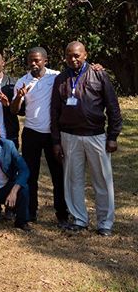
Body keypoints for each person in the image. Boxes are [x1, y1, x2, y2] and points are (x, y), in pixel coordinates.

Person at [50, 41, 122, 236]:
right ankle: (79, 219)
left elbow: (113, 107)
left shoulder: (99, 74)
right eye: (69, 55)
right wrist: (56, 141)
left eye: (77, 55)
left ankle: (105, 223)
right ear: (65, 57)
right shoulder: (61, 79)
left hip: (95, 136)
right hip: (69, 137)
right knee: (73, 180)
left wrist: (113, 135)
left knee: (102, 181)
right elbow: (54, 111)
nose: (73, 59)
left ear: (85, 55)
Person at [10, 47, 69, 226]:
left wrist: (94, 67)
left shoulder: (56, 76)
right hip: (31, 133)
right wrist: (19, 98)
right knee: (30, 175)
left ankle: (62, 214)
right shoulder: (22, 81)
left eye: (37, 60)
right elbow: (14, 111)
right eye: (30, 61)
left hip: (52, 134)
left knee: (58, 175)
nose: (34, 64)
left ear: (45, 60)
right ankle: (30, 211)